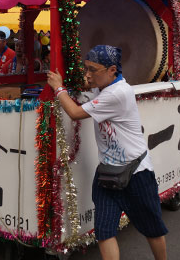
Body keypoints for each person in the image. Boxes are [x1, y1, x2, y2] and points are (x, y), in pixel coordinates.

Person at [47, 45, 167, 260]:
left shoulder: (118, 93)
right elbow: (84, 83)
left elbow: (74, 113)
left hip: (136, 172)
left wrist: (58, 88)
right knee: (104, 231)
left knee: (152, 227)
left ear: (112, 70)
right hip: (107, 172)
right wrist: (79, 77)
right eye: (86, 68)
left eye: (93, 70)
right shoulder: (102, 85)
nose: (88, 75)